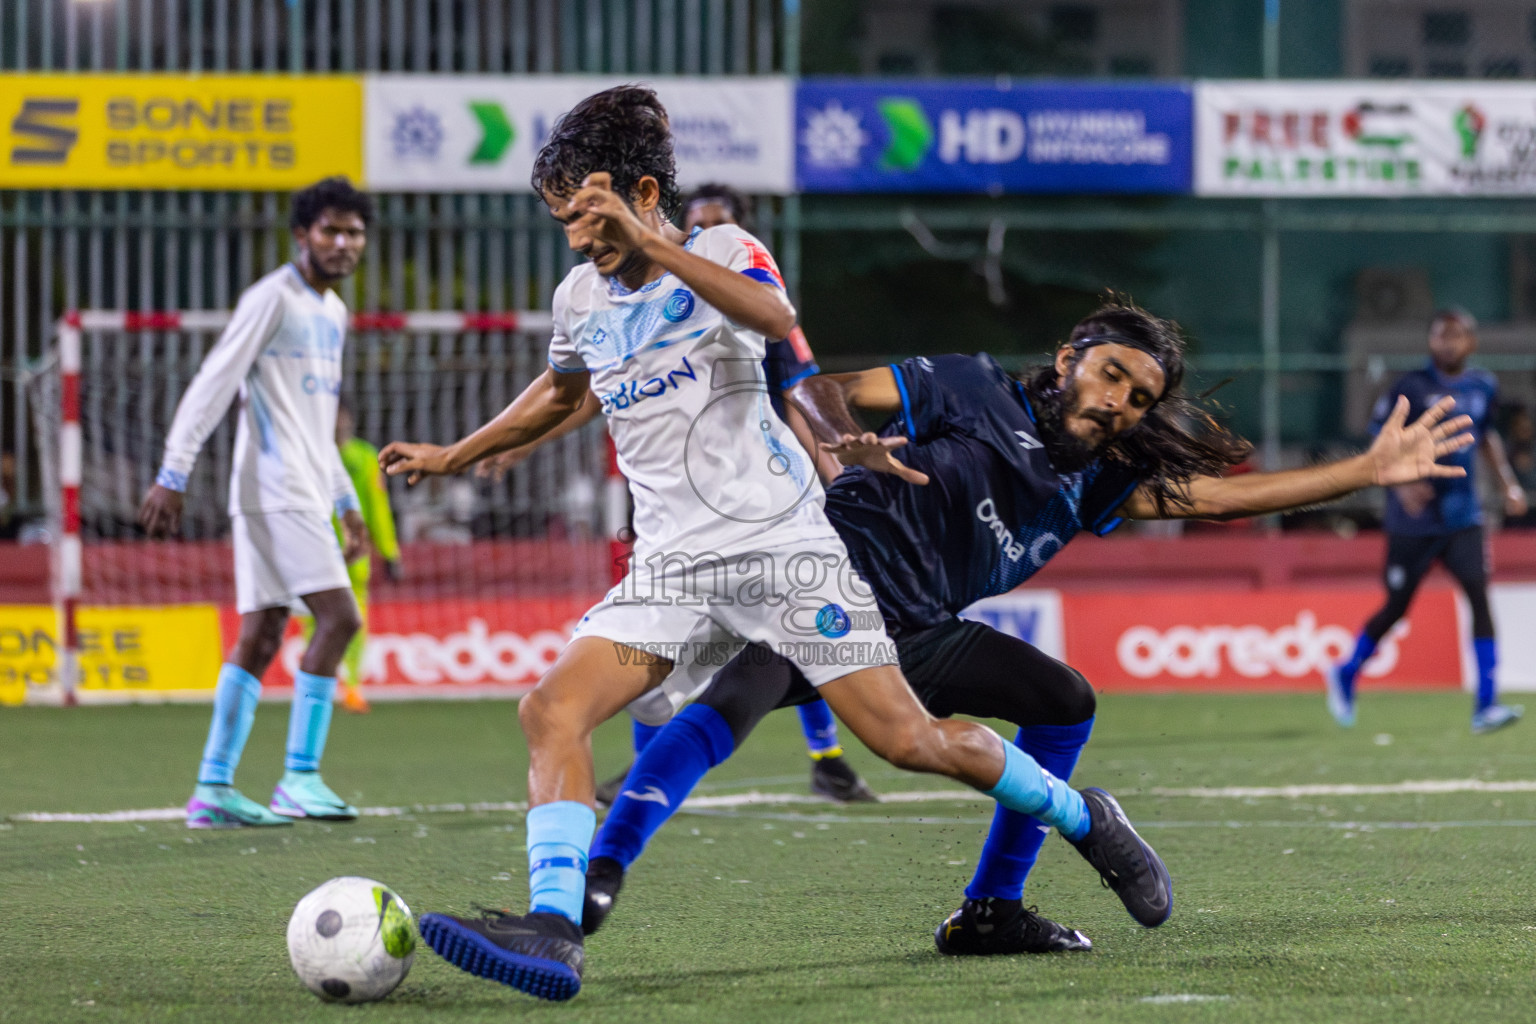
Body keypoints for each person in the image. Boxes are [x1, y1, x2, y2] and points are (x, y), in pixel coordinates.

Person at [377, 86, 1180, 1002]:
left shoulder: (718, 251)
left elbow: (771, 324)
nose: (577, 239)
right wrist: (457, 452)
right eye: (564, 220)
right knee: (549, 712)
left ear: (644, 193)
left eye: (591, 218)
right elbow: (563, 394)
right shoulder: (579, 298)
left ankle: (1081, 814)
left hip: (781, 551)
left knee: (907, 741)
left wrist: (653, 246)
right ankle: (556, 931)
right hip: (672, 567)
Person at [575, 297, 1483, 956]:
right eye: (1110, 374)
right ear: (1067, 360)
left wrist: (1365, 470)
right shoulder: (973, 388)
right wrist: (841, 439)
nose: (1119, 400)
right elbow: (829, 388)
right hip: (819, 588)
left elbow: (1225, 499)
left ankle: (991, 912)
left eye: (1138, 394)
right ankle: (592, 887)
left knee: (1063, 701)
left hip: (919, 634)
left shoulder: (1098, 480)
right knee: (731, 703)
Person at [484, 181, 874, 805]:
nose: (699, 232)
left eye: (715, 221)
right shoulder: (620, 298)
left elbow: (804, 388)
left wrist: (838, 469)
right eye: (696, 221)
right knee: (641, 661)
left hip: (759, 497)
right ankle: (647, 783)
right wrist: (521, 441)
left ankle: (827, 757)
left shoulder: (742, 281)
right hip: (676, 505)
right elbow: (594, 391)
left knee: (817, 662)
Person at [138, 177, 374, 829]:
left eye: (354, 233)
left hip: (300, 486)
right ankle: (299, 777)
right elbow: (213, 382)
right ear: (303, 235)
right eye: (330, 230)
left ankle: (213, 787)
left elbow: (317, 420)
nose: (343, 243)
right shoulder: (273, 299)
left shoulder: (332, 313)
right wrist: (173, 473)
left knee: (265, 632)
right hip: (276, 490)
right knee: (341, 620)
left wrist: (347, 500)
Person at [1327, 309, 1528, 734]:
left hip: (1462, 517)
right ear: (1430, 341)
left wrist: (1507, 483)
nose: (1448, 343)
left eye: (1456, 336)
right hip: (1412, 523)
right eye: (1441, 335)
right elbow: (1379, 439)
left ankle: (1486, 704)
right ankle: (1347, 672)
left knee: (1479, 596)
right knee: (1396, 609)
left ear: (1471, 342)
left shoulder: (1483, 385)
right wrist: (1401, 488)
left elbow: (1486, 435)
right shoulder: (1410, 387)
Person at [299, 399, 402, 714]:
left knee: (354, 619)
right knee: (311, 617)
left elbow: (377, 505)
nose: (339, 423)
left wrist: (389, 551)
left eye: (343, 417)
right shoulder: (306, 454)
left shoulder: (365, 457)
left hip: (354, 551)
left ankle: (352, 686)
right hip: (313, 547)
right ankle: (315, 684)